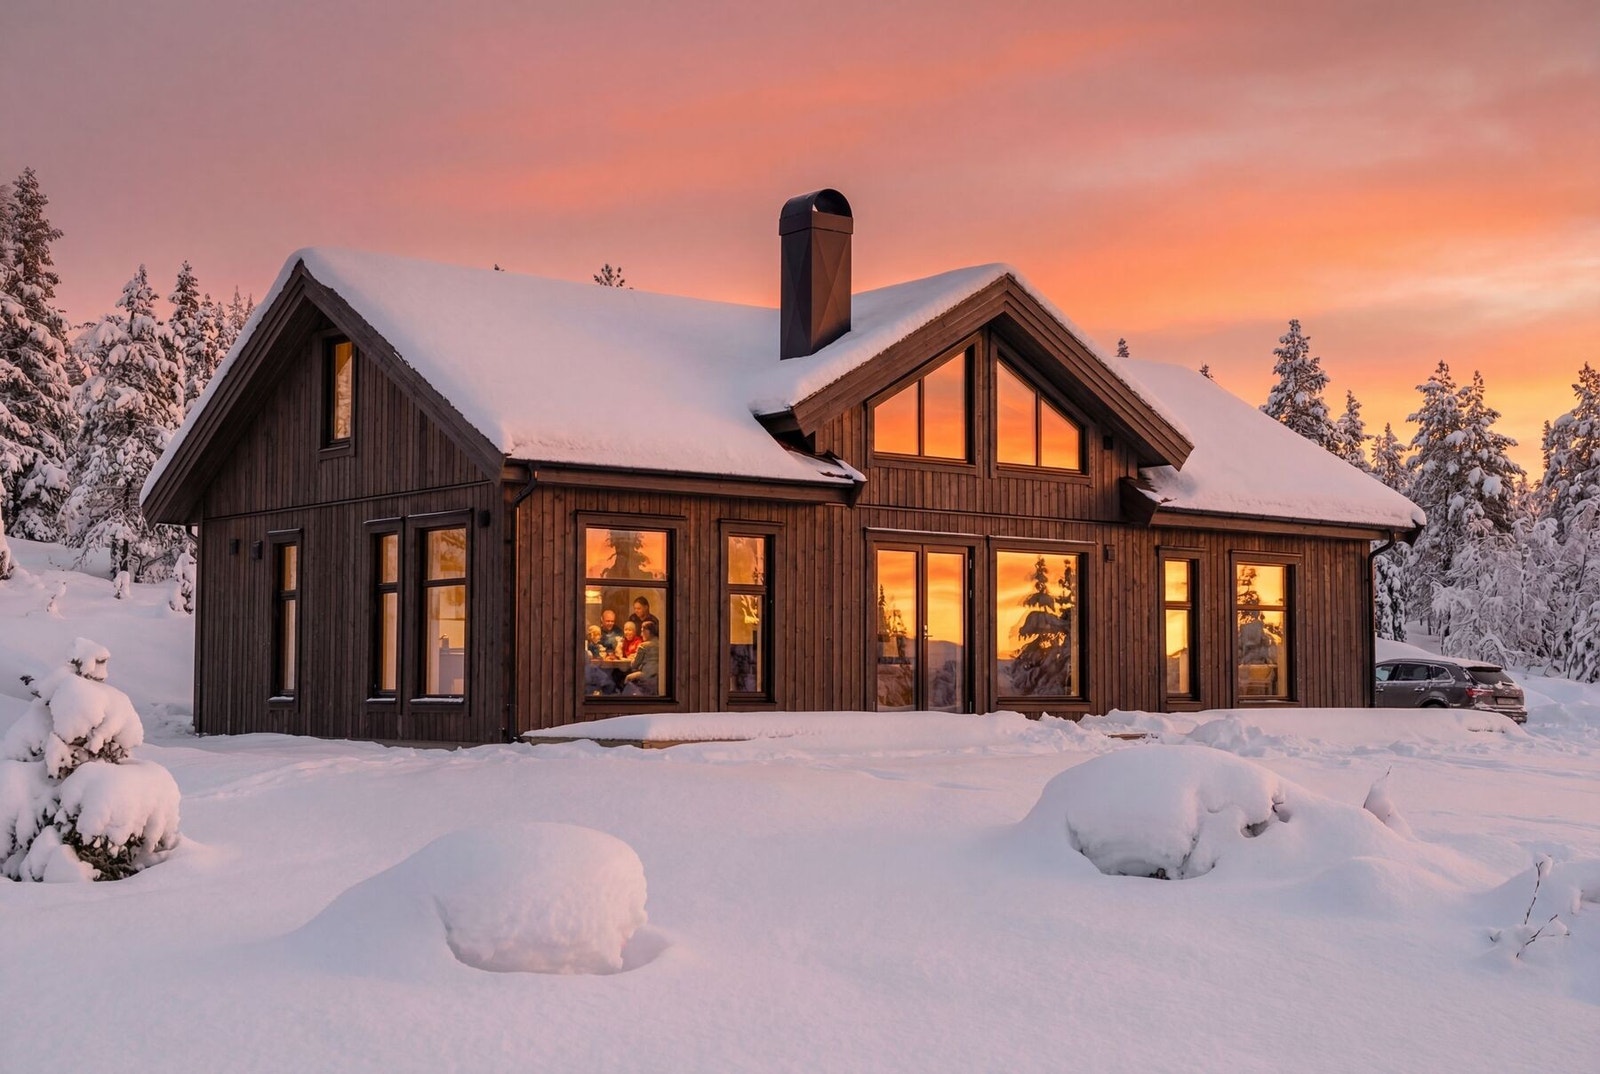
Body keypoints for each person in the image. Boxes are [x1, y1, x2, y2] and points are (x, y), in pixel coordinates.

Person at [624, 620, 661, 695]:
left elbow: (634, 665)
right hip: (657, 675)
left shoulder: (643, 645)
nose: (641, 634)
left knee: (627, 678)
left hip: (645, 674)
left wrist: (633, 657)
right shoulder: (660, 643)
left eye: (642, 631)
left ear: (647, 632)